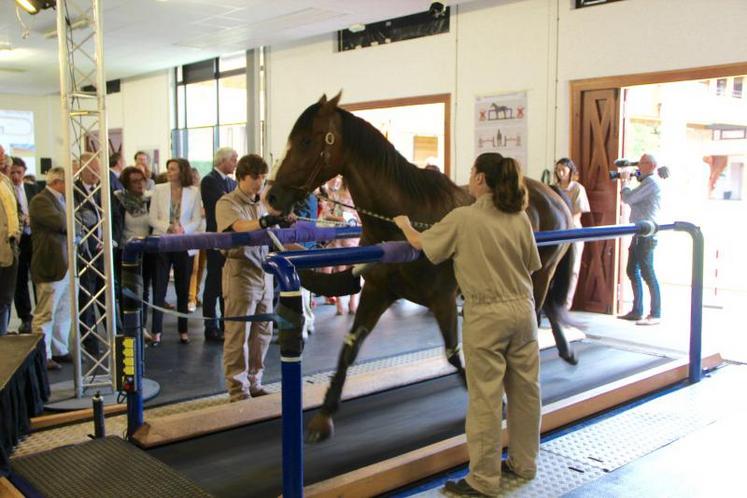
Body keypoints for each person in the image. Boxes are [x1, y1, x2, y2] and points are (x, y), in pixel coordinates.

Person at [394, 153, 542, 497]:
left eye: (471, 171)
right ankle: (524, 463)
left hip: (487, 317)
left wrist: (403, 223)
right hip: (524, 311)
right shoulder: (519, 217)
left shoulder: (462, 218)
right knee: (526, 393)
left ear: (479, 180)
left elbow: (420, 244)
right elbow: (532, 264)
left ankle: (483, 480)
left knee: (486, 399)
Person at [215, 154, 283, 401]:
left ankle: (254, 382)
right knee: (237, 334)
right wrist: (265, 220)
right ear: (241, 177)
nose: (259, 182)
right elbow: (238, 227)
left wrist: (283, 223)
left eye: (263, 178)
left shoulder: (262, 203)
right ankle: (237, 389)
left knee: (262, 333)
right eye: (255, 177)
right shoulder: (227, 202)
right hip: (239, 273)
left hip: (264, 274)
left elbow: (274, 236)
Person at [149, 158, 203, 345]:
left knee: (182, 289)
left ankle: (183, 329)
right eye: (168, 169)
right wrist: (168, 227)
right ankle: (156, 330)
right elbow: (152, 218)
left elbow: (196, 219)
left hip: (183, 244)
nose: (169, 172)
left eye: (173, 169)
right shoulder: (159, 189)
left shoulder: (194, 192)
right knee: (159, 289)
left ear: (182, 171)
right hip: (163, 243)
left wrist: (183, 229)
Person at [29, 167, 73, 370]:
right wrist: (76, 222)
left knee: (64, 311)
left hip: (65, 265)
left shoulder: (62, 200)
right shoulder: (41, 200)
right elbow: (64, 223)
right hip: (50, 264)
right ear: (57, 182)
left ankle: (59, 349)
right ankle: (42, 354)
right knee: (46, 312)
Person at [618, 153, 662, 326]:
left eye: (641, 163)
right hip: (639, 233)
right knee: (632, 270)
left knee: (648, 273)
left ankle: (655, 313)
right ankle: (637, 310)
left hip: (647, 234)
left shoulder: (651, 183)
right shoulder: (646, 182)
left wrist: (625, 182)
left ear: (651, 165)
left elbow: (628, 198)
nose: (638, 167)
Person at [201, 147, 238, 342]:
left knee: (227, 284)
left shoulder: (231, 182)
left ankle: (226, 322)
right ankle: (210, 324)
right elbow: (222, 204)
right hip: (216, 237)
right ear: (222, 160)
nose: (235, 163)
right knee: (213, 283)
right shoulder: (209, 181)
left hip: (229, 239)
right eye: (233, 159)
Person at [113, 166, 154, 338]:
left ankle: (141, 326)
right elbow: (116, 225)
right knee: (127, 290)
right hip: (126, 251)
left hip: (147, 249)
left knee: (144, 288)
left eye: (142, 180)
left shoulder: (150, 199)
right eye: (135, 181)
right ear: (127, 184)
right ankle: (128, 326)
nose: (139, 184)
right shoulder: (119, 199)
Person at [552, 157, 590, 309]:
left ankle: (566, 304)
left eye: (564, 169)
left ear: (570, 170)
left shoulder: (577, 188)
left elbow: (578, 212)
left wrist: (566, 224)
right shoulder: (554, 188)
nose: (561, 172)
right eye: (558, 169)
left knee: (572, 268)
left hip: (573, 230)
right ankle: (553, 302)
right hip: (556, 231)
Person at [320, 176, 359, 315]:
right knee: (338, 271)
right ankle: (339, 302)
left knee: (354, 270)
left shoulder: (358, 195)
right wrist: (342, 219)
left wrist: (354, 220)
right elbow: (326, 215)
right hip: (337, 237)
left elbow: (361, 217)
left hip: (353, 238)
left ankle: (352, 300)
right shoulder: (334, 195)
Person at [10, 157, 38, 334]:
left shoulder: (33, 189)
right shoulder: (6, 191)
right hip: (17, 240)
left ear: (24, 172)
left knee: (38, 278)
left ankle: (41, 313)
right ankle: (25, 317)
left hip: (34, 238)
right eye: (12, 172)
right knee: (19, 280)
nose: (15, 176)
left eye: (18, 172)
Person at [0, 145, 20, 335]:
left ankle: (3, 338)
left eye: (3, 154)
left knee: (5, 299)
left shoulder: (5, 181)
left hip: (9, 247)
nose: (3, 157)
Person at [188, 167, 207, 313]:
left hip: (205, 234)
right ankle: (191, 298)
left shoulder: (202, 193)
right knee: (193, 268)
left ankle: (196, 294)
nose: (195, 179)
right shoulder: (187, 195)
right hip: (192, 235)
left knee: (201, 267)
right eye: (192, 177)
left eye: (196, 177)